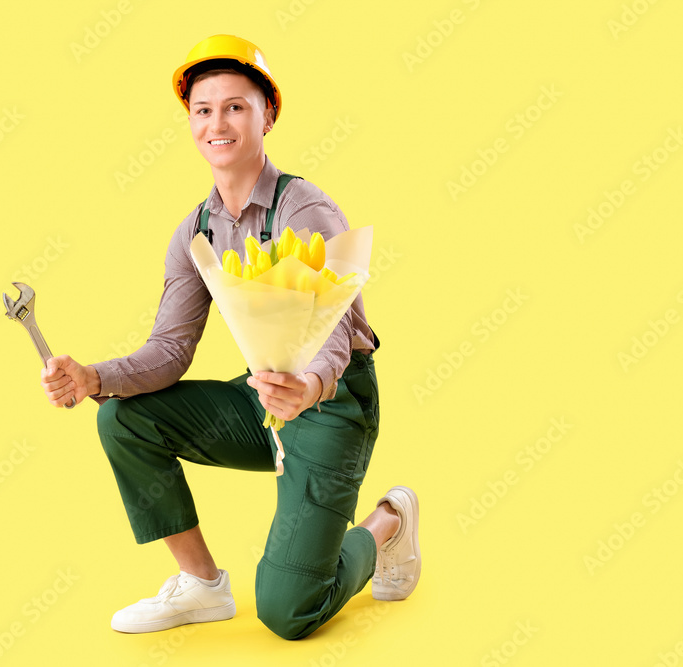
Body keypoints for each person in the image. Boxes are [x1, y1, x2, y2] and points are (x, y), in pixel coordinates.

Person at [39, 34, 421, 640]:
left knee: (288, 610)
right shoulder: (195, 230)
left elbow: (338, 332)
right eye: (203, 109)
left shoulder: (305, 211)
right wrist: (93, 377)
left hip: (333, 404)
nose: (218, 123)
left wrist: (311, 388)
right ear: (190, 121)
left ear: (267, 113)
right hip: (261, 398)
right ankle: (203, 586)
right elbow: (169, 352)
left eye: (236, 106)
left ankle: (389, 525)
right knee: (122, 418)